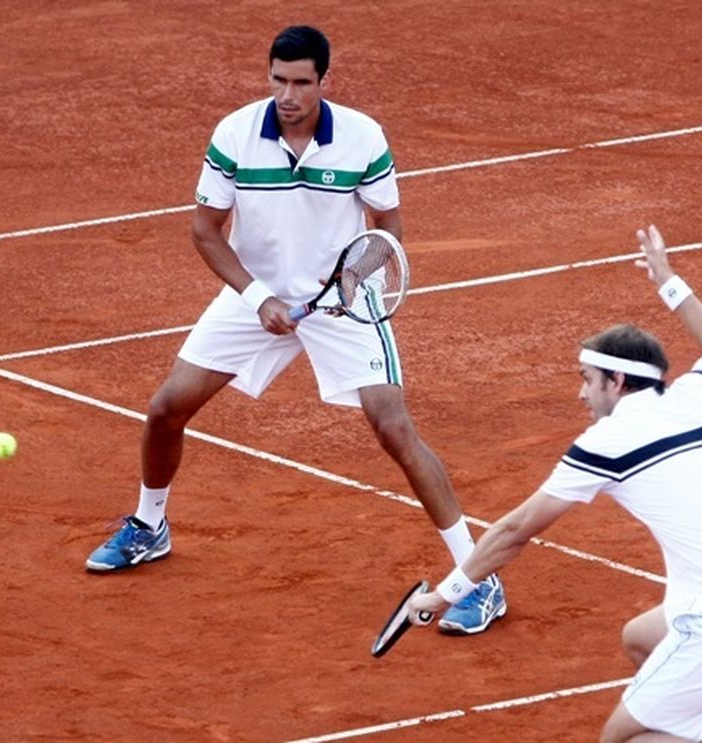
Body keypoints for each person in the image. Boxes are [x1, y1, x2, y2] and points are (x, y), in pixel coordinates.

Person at [84, 25, 505, 635]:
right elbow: (205, 230)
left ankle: (478, 576)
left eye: (301, 82)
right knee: (165, 409)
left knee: (394, 428)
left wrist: (353, 278)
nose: (287, 94)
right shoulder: (235, 134)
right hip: (255, 294)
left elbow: (386, 231)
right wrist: (257, 299)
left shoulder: (362, 137)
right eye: (278, 80)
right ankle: (150, 526)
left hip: (342, 304)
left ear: (323, 81)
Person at [408, 225, 702, 741]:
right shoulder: (701, 391)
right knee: (642, 640)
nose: (581, 394)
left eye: (587, 379)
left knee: (622, 737)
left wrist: (443, 596)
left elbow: (514, 531)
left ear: (617, 383)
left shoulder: (608, 442)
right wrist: (668, 280)